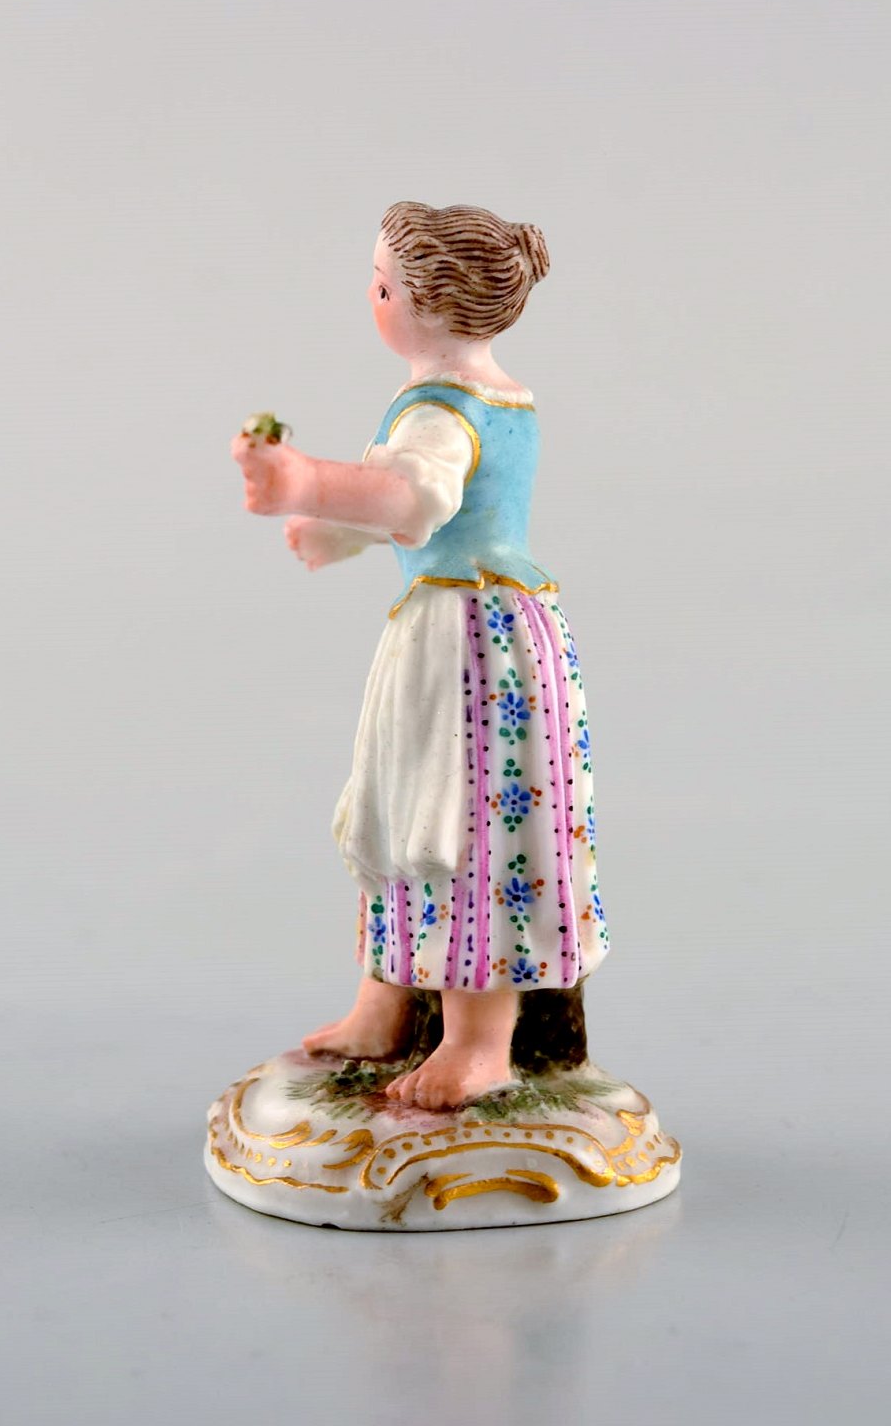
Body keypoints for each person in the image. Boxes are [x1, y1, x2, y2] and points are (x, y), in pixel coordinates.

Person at [231, 201, 609, 1110]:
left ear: (432, 308)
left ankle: (479, 1044)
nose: (370, 298)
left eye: (382, 287)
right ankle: (386, 1005)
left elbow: (414, 499)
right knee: (402, 816)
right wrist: (331, 532)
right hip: (466, 624)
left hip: (473, 646)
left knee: (467, 829)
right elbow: (425, 510)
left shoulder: (443, 411)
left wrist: (305, 482)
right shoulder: (492, 397)